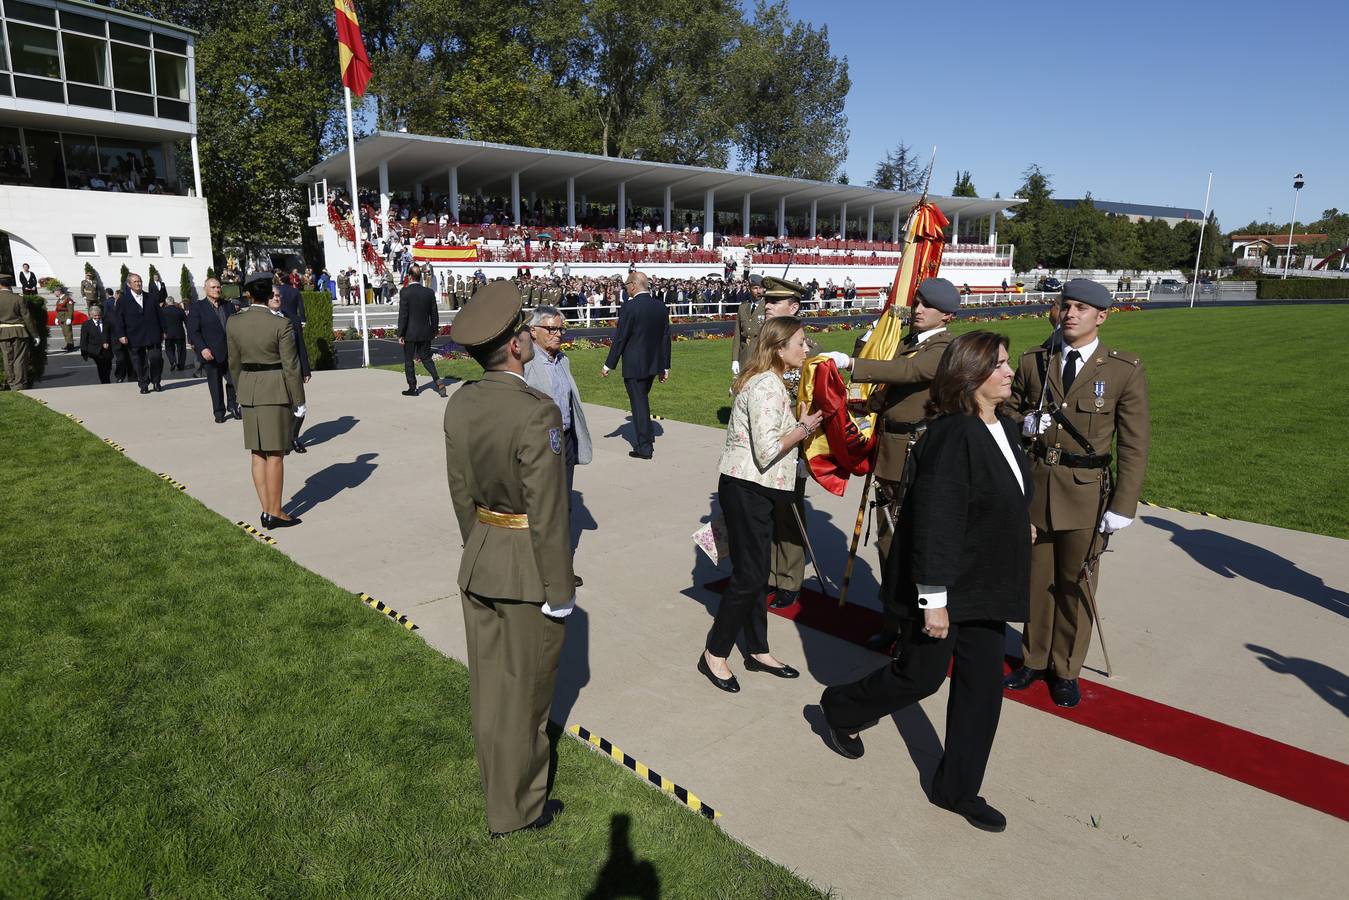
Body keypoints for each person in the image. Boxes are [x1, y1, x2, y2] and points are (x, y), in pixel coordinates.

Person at [820, 331, 1032, 833]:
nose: (1009, 372)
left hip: (986, 581)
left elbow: (999, 490)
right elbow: (937, 520)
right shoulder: (952, 434)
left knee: (982, 689)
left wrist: (1016, 519)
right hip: (947, 583)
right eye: (999, 365)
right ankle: (839, 706)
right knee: (921, 676)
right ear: (971, 376)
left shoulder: (1004, 426)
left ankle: (956, 788)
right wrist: (934, 600)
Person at [443, 279, 573, 838]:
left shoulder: (462, 401)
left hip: (482, 558)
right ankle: (518, 808)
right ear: (517, 346)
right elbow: (548, 512)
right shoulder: (536, 411)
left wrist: (482, 545)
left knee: (491, 687)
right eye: (526, 330)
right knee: (526, 695)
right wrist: (560, 592)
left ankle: (498, 788)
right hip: (525, 571)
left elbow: (460, 492)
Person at [1003, 279, 1150, 708]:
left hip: (1087, 495)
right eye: (1066, 305)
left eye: (1082, 308)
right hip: (1036, 488)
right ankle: (1033, 658)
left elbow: (1135, 442)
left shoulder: (1123, 369)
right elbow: (1007, 408)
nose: (1070, 313)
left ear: (1101, 316)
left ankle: (1065, 669)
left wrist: (1123, 505)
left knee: (1076, 585)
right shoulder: (1035, 360)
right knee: (1036, 582)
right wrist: (1024, 423)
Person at [820, 277, 960, 653]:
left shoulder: (946, 347)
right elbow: (889, 391)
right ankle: (893, 621)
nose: (918, 310)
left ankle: (917, 626)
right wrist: (861, 407)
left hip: (918, 454)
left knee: (916, 545)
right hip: (890, 452)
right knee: (887, 542)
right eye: (917, 303)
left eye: (927, 306)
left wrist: (853, 362)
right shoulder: (907, 343)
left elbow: (909, 374)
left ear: (947, 313)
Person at [699, 316, 823, 694]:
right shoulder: (767, 385)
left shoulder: (767, 381)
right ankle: (714, 653)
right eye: (801, 343)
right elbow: (768, 449)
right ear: (779, 348)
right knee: (751, 576)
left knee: (754, 572)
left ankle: (757, 649)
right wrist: (804, 427)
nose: (807, 349)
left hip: (755, 488)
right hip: (748, 488)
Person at [756, 277, 819, 611]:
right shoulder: (763, 342)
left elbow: (814, 400)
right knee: (765, 511)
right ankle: (770, 572)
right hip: (764, 445)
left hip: (792, 444)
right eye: (767, 300)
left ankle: (789, 579)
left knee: (789, 512)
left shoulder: (807, 350)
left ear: (793, 308)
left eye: (775, 301)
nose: (767, 305)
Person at [229, 273, 305, 529]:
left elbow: (234, 363)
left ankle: (266, 510)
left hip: (249, 388)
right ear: (267, 295)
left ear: (249, 295)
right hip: (274, 388)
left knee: (257, 453)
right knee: (275, 454)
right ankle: (275, 512)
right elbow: (291, 366)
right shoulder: (280, 324)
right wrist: (299, 400)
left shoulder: (234, 322)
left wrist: (241, 392)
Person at [602, 271, 670, 459]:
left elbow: (620, 338)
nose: (626, 289)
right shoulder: (660, 306)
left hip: (634, 364)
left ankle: (644, 447)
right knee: (642, 401)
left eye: (626, 285)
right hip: (652, 364)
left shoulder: (630, 308)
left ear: (633, 285)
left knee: (639, 404)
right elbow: (666, 339)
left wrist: (608, 364)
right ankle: (646, 438)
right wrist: (665, 366)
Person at [187, 277, 240, 424]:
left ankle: (233, 405)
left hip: (230, 351)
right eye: (213, 287)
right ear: (205, 289)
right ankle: (219, 412)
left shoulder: (228, 305)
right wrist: (202, 348)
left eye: (218, 287)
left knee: (233, 380)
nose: (217, 290)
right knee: (215, 384)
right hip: (211, 352)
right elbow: (193, 331)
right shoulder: (198, 307)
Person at [396, 264, 446, 398]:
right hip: (425, 331)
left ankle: (412, 388)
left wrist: (400, 333)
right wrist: (434, 330)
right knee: (426, 358)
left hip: (409, 333)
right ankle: (437, 380)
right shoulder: (429, 292)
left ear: (410, 276)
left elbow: (403, 315)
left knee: (408, 361)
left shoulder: (405, 292)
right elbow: (434, 314)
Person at [114, 273, 166, 394]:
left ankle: (156, 381)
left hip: (153, 333)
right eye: (135, 282)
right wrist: (121, 335)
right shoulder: (123, 300)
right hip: (134, 335)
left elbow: (160, 315)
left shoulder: (151, 297)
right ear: (129, 284)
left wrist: (164, 330)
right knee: (139, 361)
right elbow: (119, 319)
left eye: (140, 281)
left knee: (156, 358)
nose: (138, 283)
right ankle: (143, 384)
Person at [0, 274, 40, 389]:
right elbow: (27, 317)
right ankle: (19, 385)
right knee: (19, 359)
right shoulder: (18, 298)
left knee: (7, 359)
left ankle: (11, 382)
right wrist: (35, 334)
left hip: (2, 332)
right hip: (19, 331)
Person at [731, 274, 766, 378]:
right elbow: (737, 335)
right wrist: (735, 359)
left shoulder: (768, 307)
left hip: (760, 354)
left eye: (761, 288)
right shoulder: (743, 307)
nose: (758, 291)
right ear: (750, 289)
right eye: (755, 288)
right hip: (745, 355)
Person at [80, 302, 114, 383]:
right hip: (95, 351)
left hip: (107, 350)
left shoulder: (107, 323)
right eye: (95, 316)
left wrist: (108, 343)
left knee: (108, 367)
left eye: (99, 315)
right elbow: (84, 340)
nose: (97, 317)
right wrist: (84, 353)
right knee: (101, 366)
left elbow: (112, 335)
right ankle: (105, 382)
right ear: (91, 315)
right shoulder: (86, 325)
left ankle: (106, 379)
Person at [160, 299, 188, 370]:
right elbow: (186, 322)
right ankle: (181, 365)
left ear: (166, 302)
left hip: (168, 334)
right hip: (179, 333)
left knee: (169, 349)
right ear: (173, 302)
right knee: (181, 350)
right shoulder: (180, 310)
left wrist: (162, 332)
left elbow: (160, 323)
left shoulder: (163, 311)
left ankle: (173, 361)